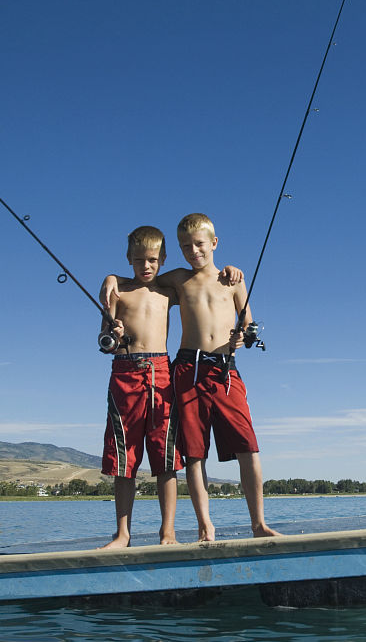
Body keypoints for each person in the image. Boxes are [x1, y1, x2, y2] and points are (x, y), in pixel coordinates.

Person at [102, 213, 278, 542]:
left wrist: (243, 337)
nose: (193, 251)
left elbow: (248, 324)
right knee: (194, 453)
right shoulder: (178, 279)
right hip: (187, 367)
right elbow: (142, 281)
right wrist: (111, 277)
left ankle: (259, 524)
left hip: (225, 370)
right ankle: (205, 527)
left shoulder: (234, 279)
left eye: (199, 244)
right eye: (186, 246)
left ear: (214, 243)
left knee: (248, 447)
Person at [98, 225, 181, 549]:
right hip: (125, 373)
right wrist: (113, 335)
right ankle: (122, 534)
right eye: (137, 260)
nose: (145, 266)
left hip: (161, 373)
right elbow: (103, 342)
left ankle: (168, 533)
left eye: (151, 260)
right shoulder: (117, 293)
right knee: (124, 459)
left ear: (161, 259)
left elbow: (195, 277)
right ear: (128, 259)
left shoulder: (167, 291)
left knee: (166, 458)